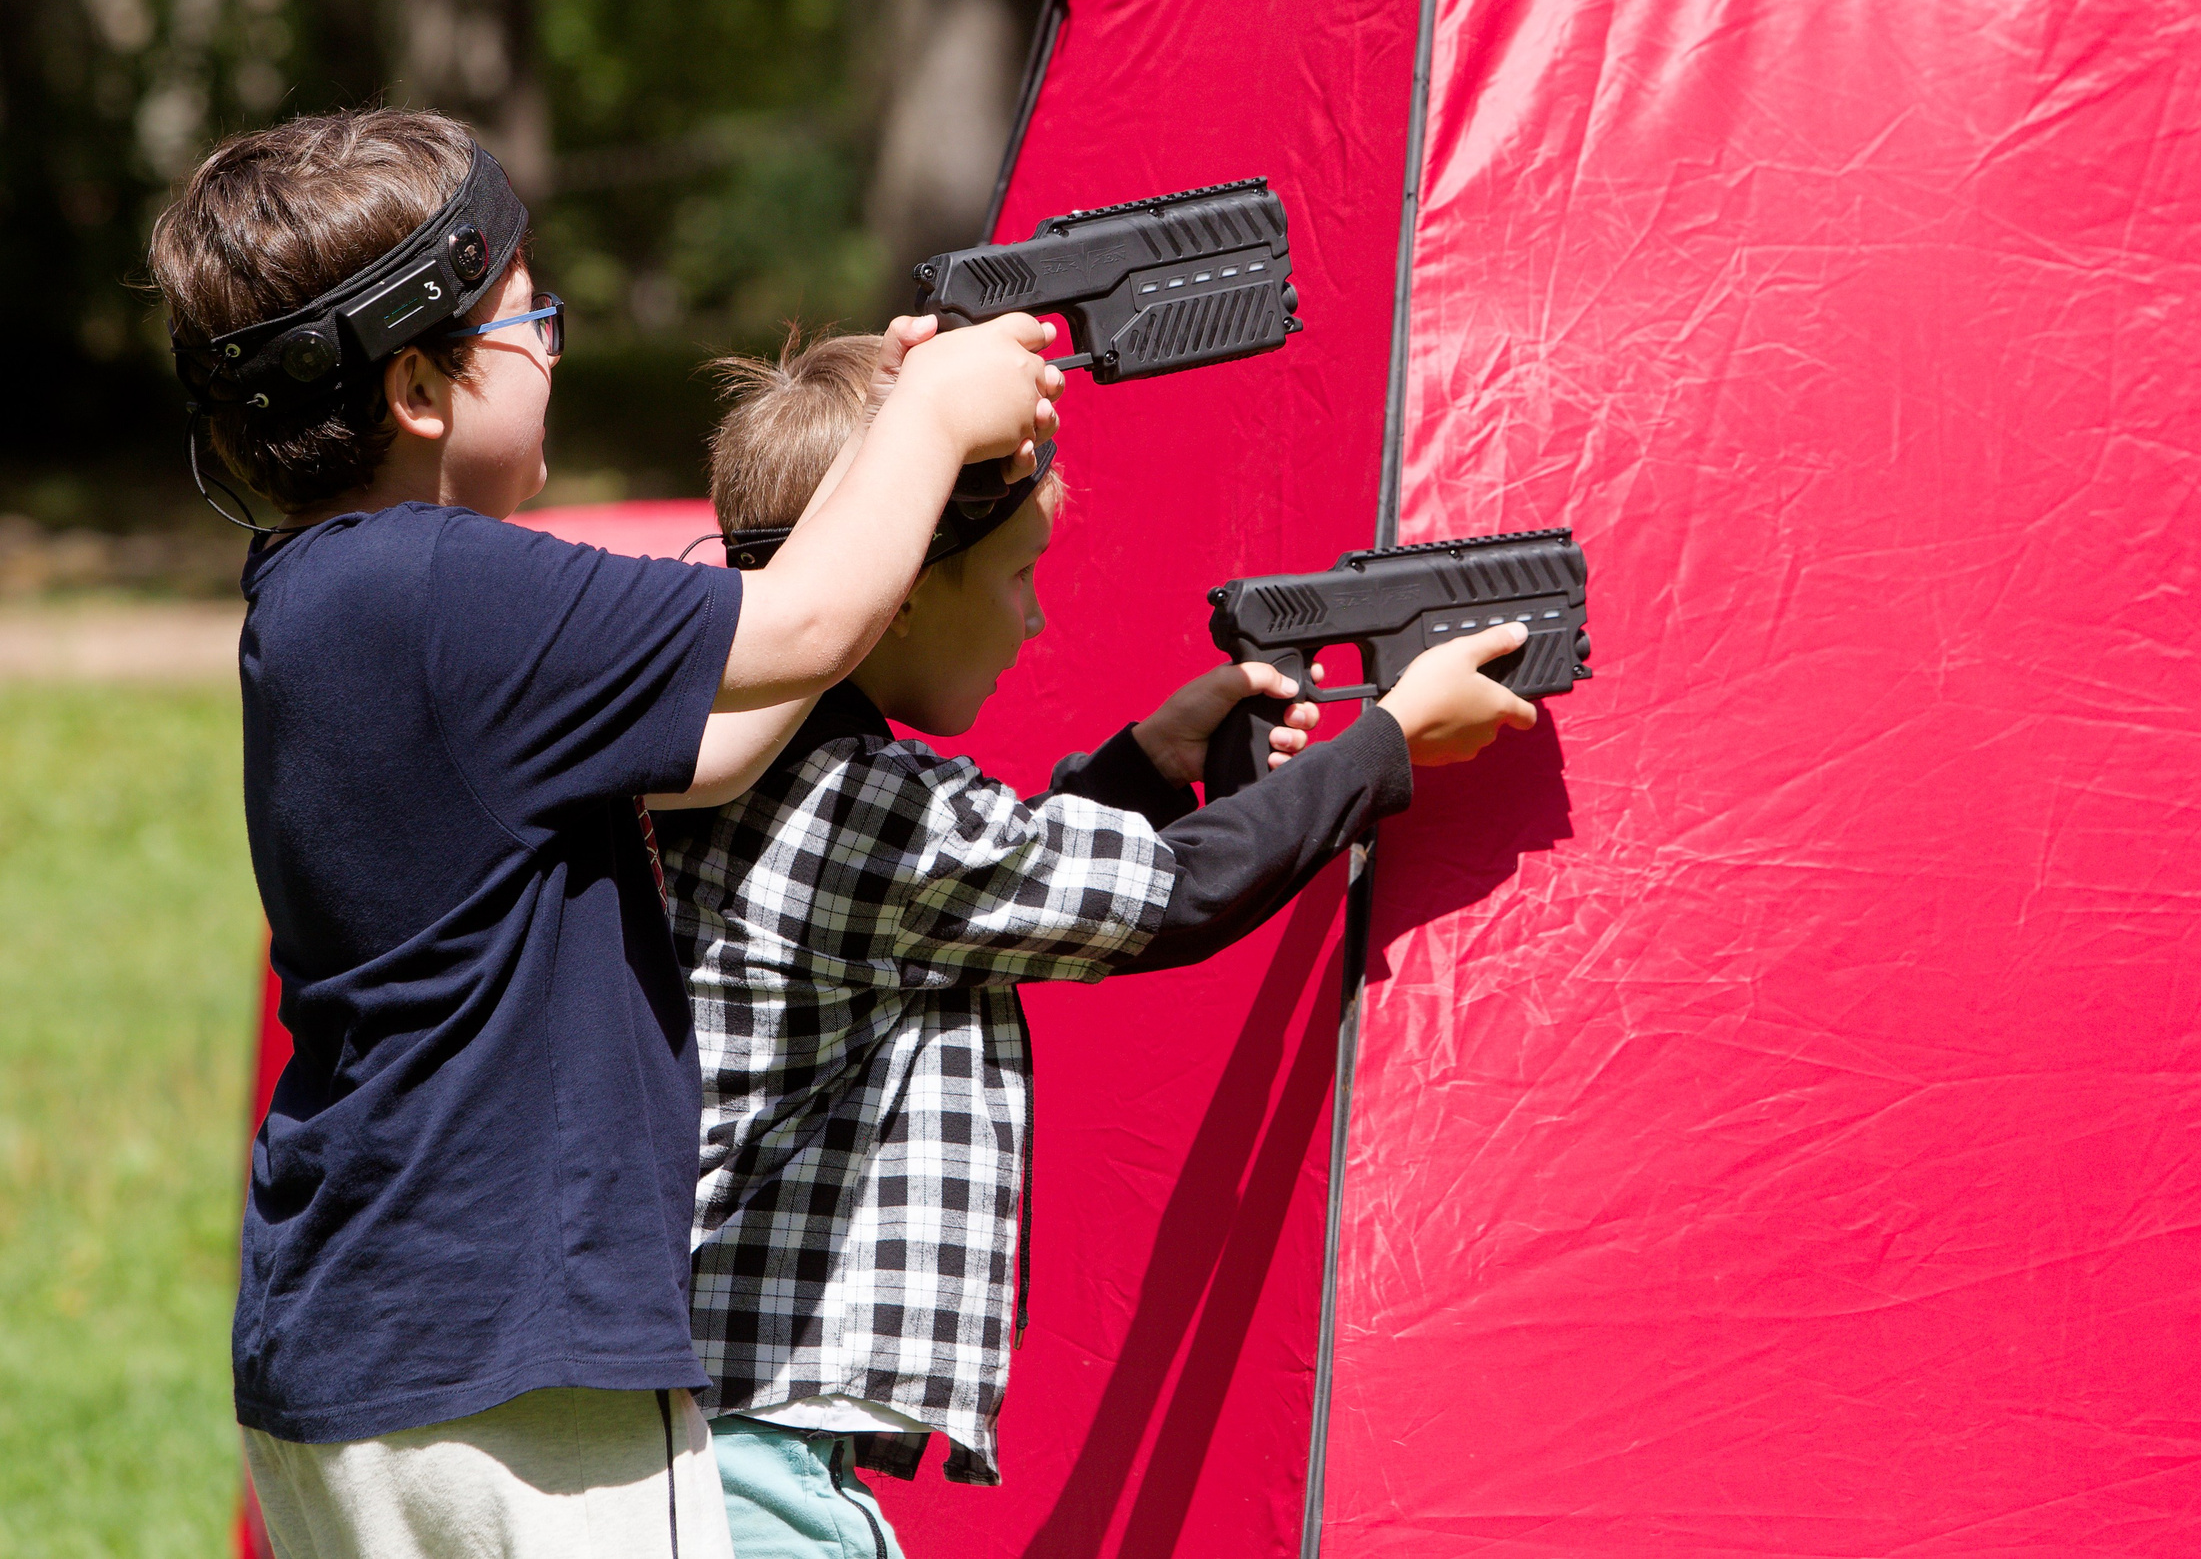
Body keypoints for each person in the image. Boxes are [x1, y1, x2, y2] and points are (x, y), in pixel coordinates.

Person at [147, 108, 1059, 1559]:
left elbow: (719, 744)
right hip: (521, 1357)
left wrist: (892, 432)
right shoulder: (458, 586)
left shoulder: (328, 600)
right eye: (533, 317)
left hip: (351, 1351)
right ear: (422, 383)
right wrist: (941, 421)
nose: (557, 345)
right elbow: (804, 622)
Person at [653, 328, 1535, 1558]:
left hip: (725, 1441)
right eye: (1016, 574)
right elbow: (1161, 901)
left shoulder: (765, 768)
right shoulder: (855, 802)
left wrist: (1142, 767)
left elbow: (969, 897)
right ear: (897, 587)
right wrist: (1385, 742)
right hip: (751, 1465)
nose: (1035, 614)